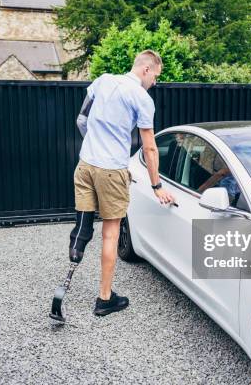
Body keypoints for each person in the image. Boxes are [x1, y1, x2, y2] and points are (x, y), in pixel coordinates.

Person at [69, 50, 175, 317]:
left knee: (85, 220)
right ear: (147, 69)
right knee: (110, 233)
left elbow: (82, 119)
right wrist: (156, 186)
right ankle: (105, 299)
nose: (154, 84)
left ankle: (78, 242)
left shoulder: (103, 80)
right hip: (111, 170)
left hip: (84, 165)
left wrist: (95, 145)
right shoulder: (141, 97)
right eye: (156, 78)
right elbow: (150, 148)